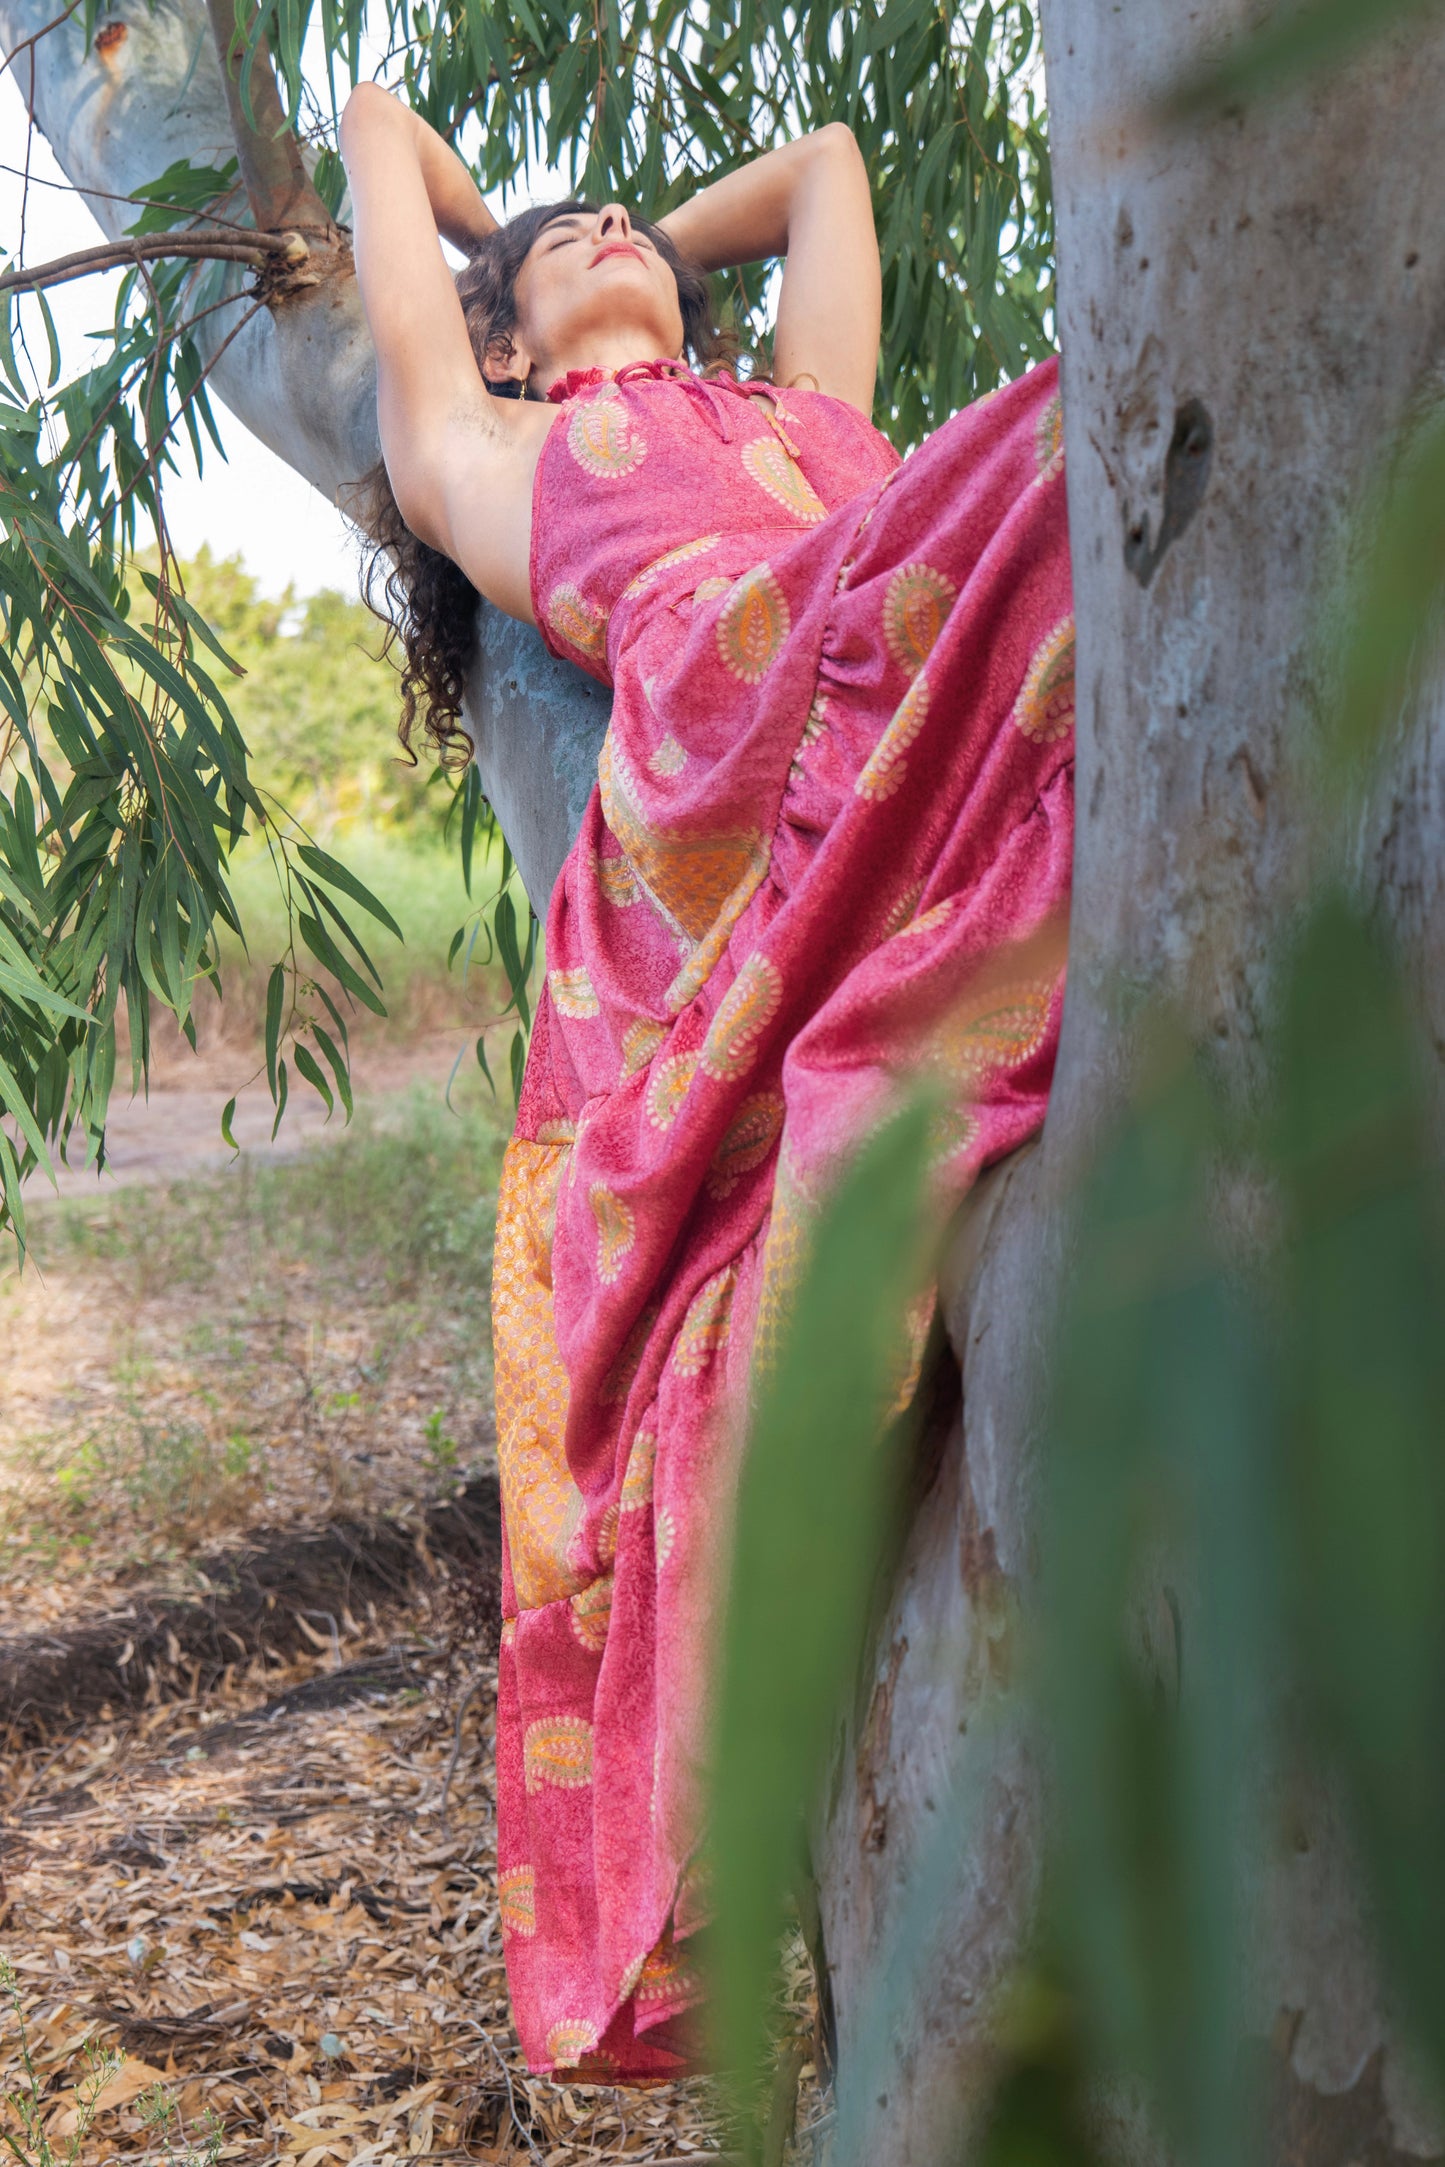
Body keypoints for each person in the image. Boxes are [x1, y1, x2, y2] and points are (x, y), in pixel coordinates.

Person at [340, 86, 1074, 2081]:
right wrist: (505, 256)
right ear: (491, 343)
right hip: (739, 710)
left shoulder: (805, 414)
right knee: (1066, 428)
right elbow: (374, 117)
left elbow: (830, 159)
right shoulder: (481, 448)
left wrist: (622, 243)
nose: (603, 233)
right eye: (552, 247)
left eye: (629, 228)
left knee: (1088, 428)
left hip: (880, 642)